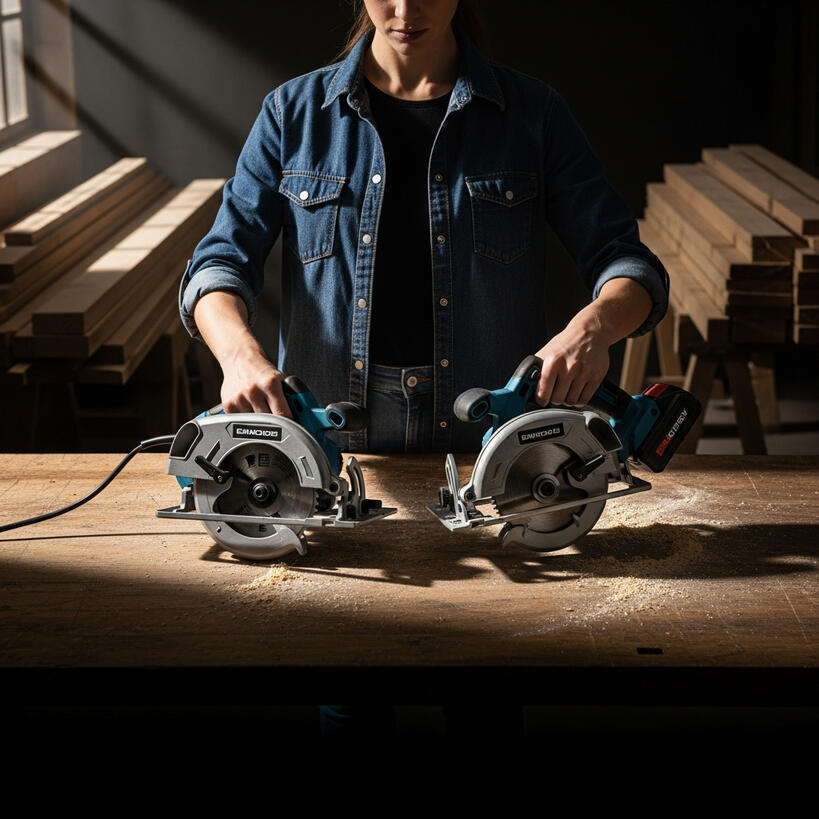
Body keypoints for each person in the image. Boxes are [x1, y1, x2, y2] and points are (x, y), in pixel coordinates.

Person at [178, 0, 668, 739]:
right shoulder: (292, 112)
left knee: (486, 694)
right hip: (336, 449)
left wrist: (592, 328)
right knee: (350, 692)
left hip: (485, 453)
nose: (406, 10)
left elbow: (628, 263)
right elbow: (218, 263)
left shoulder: (530, 112)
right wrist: (240, 353)